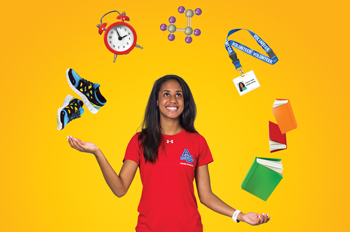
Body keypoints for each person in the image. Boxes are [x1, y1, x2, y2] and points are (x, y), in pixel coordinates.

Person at [68, 75, 271, 232]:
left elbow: (206, 196)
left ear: (185, 102)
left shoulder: (197, 142)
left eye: (178, 94)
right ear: (156, 101)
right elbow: (120, 189)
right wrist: (97, 152)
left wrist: (240, 215)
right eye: (166, 94)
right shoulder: (140, 141)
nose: (172, 99)